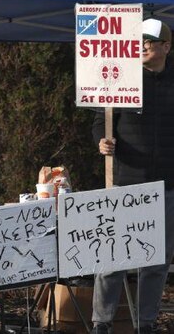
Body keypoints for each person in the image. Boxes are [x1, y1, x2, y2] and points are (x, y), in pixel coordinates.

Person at [92, 18, 174, 334]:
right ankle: (101, 323)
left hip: (167, 185)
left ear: (166, 46)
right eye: (138, 42)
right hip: (124, 183)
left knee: (157, 262)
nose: (141, 47)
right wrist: (101, 142)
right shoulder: (121, 79)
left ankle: (146, 324)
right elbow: (100, 122)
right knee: (112, 257)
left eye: (148, 42)